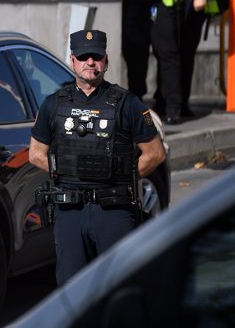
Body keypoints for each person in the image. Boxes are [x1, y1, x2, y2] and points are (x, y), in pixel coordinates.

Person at [29, 29, 167, 285]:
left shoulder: (129, 104)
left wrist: (120, 174)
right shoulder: (53, 104)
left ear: (106, 60)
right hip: (70, 211)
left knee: (118, 286)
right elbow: (36, 154)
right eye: (83, 57)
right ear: (72, 61)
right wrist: (68, 170)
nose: (89, 62)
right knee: (72, 290)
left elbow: (155, 154)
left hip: (113, 209)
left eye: (96, 56)